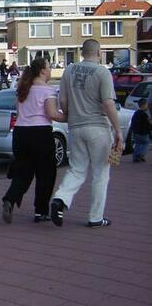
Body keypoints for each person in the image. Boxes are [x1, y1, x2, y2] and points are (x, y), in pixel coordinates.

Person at [51, 39, 124, 228]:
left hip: (76, 127)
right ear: (98, 52)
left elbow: (63, 100)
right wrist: (118, 131)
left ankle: (60, 199)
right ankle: (95, 217)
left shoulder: (69, 70)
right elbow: (108, 103)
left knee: (77, 169)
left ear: (82, 52)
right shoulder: (102, 72)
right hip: (98, 127)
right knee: (100, 173)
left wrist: (70, 115)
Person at [2, 58, 66, 224]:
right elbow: (52, 114)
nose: (50, 70)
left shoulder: (23, 88)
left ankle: (9, 199)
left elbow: (18, 111)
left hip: (20, 133)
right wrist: (69, 117)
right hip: (40, 133)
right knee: (46, 173)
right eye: (49, 67)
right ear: (43, 71)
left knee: (23, 171)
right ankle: (41, 211)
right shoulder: (48, 90)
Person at [131, 98, 151, 163]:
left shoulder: (136, 113)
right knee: (145, 144)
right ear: (144, 105)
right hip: (144, 133)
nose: (147, 105)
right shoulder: (144, 114)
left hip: (136, 132)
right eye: (147, 104)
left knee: (137, 144)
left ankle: (135, 157)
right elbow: (147, 124)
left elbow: (133, 122)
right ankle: (141, 155)